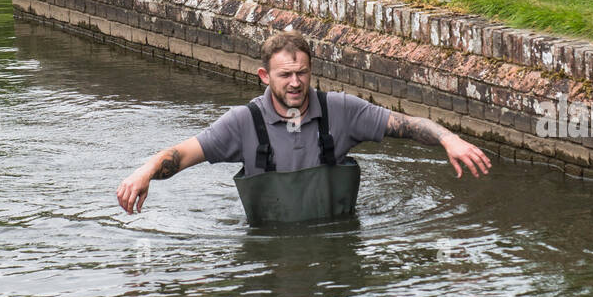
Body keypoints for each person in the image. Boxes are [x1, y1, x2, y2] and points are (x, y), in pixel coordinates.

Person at [116, 29, 492, 223]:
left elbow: (406, 125)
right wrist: (145, 171)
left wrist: (448, 138)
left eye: (302, 73)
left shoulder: (340, 110)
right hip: (267, 255)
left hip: (338, 247)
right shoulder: (243, 122)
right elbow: (181, 155)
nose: (295, 83)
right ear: (264, 75)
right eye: (285, 75)